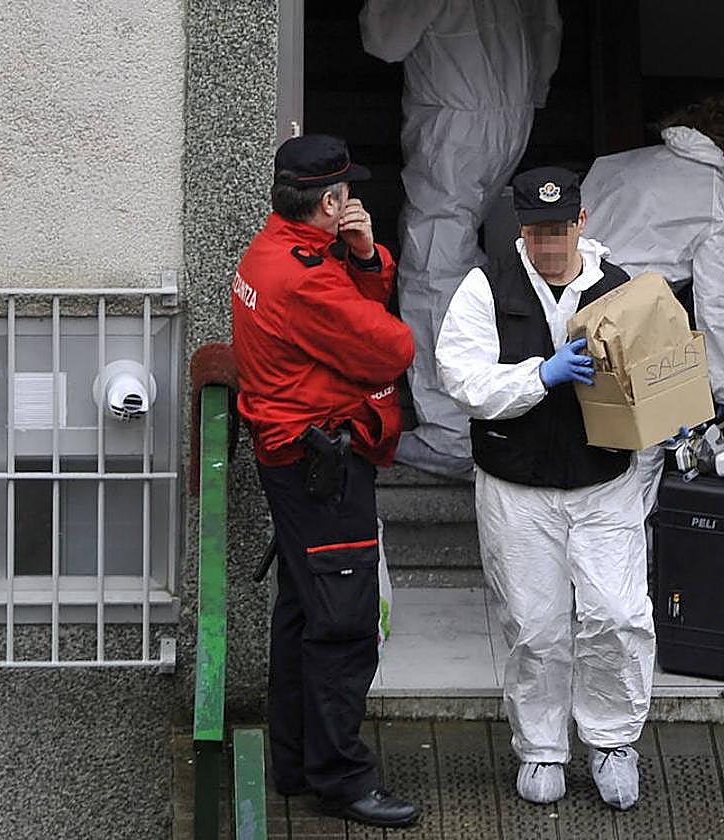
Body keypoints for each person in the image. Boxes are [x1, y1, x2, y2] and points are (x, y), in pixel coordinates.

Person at [435, 166, 656, 809]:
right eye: (537, 231)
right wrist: (543, 374)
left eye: (560, 229)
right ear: (520, 230)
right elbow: (465, 382)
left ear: (582, 223)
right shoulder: (485, 287)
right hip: (517, 485)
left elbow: (658, 379)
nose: (550, 243)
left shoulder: (620, 289)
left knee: (616, 614)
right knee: (535, 624)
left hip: (603, 480)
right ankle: (541, 749)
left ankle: (614, 741)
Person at [230, 134, 421, 828]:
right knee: (341, 625)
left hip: (293, 461)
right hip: (321, 468)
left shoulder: (272, 252)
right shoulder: (304, 277)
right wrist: (362, 275)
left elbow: (355, 316)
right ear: (331, 201)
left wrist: (365, 256)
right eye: (348, 194)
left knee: (302, 613)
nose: (354, 202)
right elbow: (392, 346)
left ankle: (295, 763)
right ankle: (340, 782)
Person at [359, 0, 563, 479]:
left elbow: (384, 40)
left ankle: (450, 432)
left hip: (455, 117)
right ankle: (498, 397)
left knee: (433, 265)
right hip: (511, 108)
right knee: (478, 254)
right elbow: (547, 20)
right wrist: (535, 88)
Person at [580, 93, 724, 516]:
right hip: (625, 351)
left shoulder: (617, 163)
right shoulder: (715, 200)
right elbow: (717, 315)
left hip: (558, 331)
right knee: (627, 504)